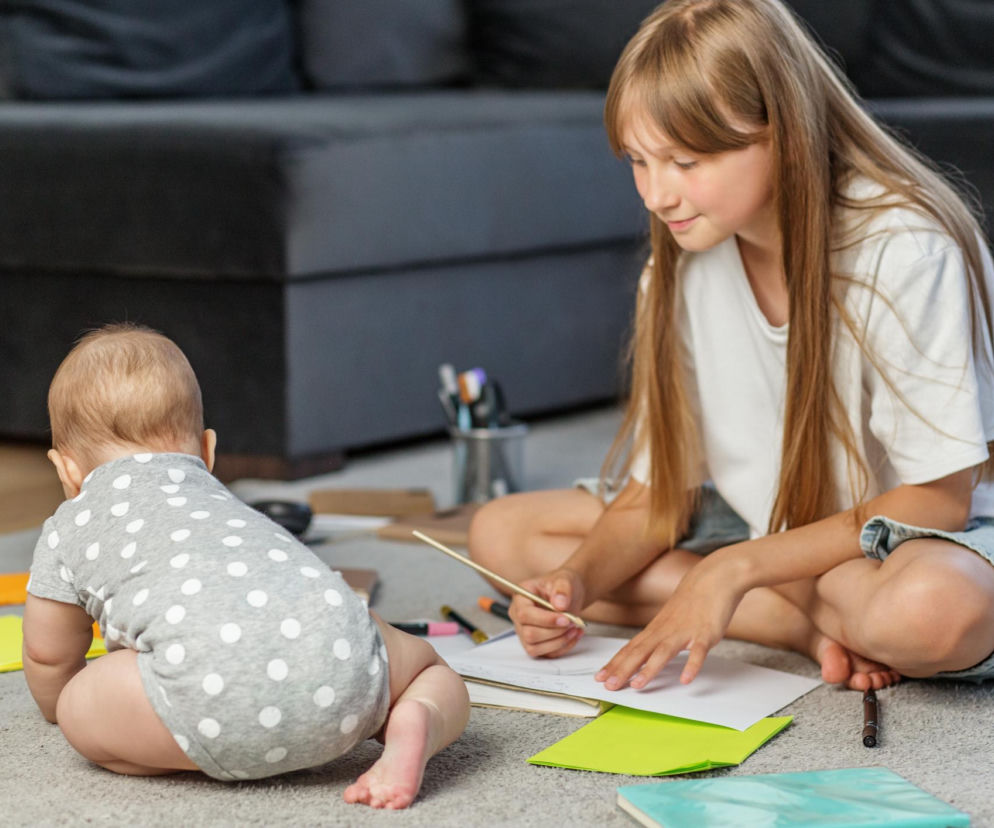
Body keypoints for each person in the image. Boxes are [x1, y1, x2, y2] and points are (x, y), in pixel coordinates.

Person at [468, 0, 994, 694]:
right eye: (639, 162)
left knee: (934, 613)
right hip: (768, 523)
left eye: (686, 162)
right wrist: (576, 582)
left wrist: (733, 568)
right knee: (500, 535)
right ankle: (801, 621)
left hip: (892, 541)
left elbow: (937, 501)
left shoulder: (904, 250)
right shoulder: (682, 266)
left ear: (786, 133)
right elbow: (660, 490)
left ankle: (760, 591)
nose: (658, 194)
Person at [22, 323, 468, 809]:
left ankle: (213, 741)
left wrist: (58, 703)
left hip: (213, 705)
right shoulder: (219, 497)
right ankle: (418, 714)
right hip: (343, 672)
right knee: (425, 665)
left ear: (65, 471)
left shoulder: (70, 523)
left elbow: (49, 656)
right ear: (208, 452)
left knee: (79, 704)